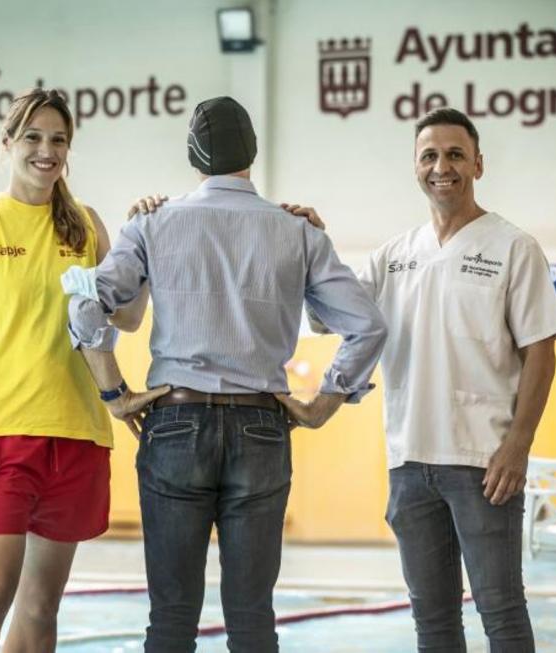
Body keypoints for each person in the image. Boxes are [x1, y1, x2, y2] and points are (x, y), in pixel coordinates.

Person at [64, 96, 387, 652]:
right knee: (252, 616)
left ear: (193, 155)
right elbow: (367, 326)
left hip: (174, 422)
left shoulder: (153, 223)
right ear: (253, 153)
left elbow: (84, 305)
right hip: (262, 425)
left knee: (170, 617)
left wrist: (115, 393)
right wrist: (323, 403)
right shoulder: (298, 231)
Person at [285, 108, 556, 652]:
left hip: (484, 464)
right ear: (416, 168)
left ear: (478, 164)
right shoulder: (393, 257)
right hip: (409, 465)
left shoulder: (514, 248)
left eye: (455, 154)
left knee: (502, 612)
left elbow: (541, 353)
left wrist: (517, 446)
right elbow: (330, 314)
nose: (443, 166)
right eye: (430, 156)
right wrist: (313, 241)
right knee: (433, 622)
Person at [0, 88, 165, 653]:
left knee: (40, 608)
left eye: (58, 140)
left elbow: (129, 316)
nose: (46, 150)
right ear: (7, 144)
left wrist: (146, 239)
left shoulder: (84, 226)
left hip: (77, 433)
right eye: (33, 138)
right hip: (0, 437)